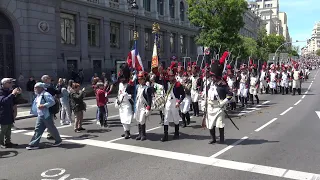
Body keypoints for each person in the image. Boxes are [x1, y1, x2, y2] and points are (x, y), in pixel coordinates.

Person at [203, 51, 231, 144]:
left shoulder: (222, 84)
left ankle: (222, 138)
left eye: (213, 76)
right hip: (210, 106)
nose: (212, 77)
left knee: (220, 123)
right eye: (211, 76)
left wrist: (224, 102)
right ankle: (213, 138)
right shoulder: (209, 83)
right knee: (210, 124)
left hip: (219, 106)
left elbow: (230, 94)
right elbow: (207, 94)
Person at [26, 82, 62, 150]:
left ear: (41, 88)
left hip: (46, 115)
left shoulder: (46, 94)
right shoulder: (38, 95)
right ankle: (34, 144)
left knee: (51, 128)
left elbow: (52, 102)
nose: (35, 89)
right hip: (41, 115)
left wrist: (44, 105)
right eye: (34, 88)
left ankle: (58, 140)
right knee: (38, 129)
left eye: (36, 88)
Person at [161, 62, 185, 142]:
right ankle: (165, 135)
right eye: (169, 75)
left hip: (175, 102)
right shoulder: (166, 82)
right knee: (166, 118)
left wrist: (179, 101)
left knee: (175, 118)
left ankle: (177, 133)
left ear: (174, 76)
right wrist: (161, 71)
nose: (170, 77)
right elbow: (161, 77)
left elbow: (183, 94)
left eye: (171, 76)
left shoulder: (178, 84)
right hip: (168, 102)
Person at [127, 71, 152, 141]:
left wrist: (148, 108)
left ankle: (143, 134)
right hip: (137, 105)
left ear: (144, 79)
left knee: (142, 120)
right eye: (139, 79)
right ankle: (140, 134)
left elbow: (149, 99)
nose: (140, 80)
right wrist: (131, 81)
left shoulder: (147, 88)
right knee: (138, 120)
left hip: (143, 106)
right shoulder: (137, 87)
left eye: (141, 79)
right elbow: (128, 90)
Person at [0, 78, 21, 148]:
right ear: (4, 84)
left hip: (9, 112)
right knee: (3, 129)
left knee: (9, 129)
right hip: (3, 113)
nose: (12, 84)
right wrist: (12, 94)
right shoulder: (1, 91)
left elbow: (15, 101)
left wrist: (18, 94)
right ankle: (1, 143)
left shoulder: (9, 91)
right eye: (10, 82)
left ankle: (8, 142)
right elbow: (4, 101)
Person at [116, 64, 133, 139]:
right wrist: (117, 100)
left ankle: (127, 131)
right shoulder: (120, 84)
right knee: (122, 118)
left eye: (123, 78)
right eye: (121, 78)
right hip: (121, 103)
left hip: (127, 103)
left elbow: (133, 94)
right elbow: (119, 93)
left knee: (127, 118)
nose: (121, 80)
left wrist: (127, 95)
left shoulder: (129, 84)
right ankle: (126, 131)